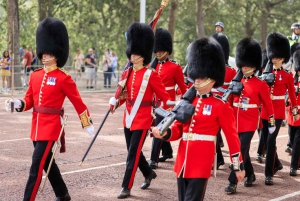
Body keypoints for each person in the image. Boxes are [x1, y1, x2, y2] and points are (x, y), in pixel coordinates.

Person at [4, 17, 94, 201]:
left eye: (48, 51)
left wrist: (86, 122)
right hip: (36, 127)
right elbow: (29, 101)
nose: (44, 54)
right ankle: (63, 194)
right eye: (42, 51)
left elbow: (78, 102)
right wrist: (17, 105)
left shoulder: (63, 78)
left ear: (56, 52)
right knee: (46, 163)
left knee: (36, 165)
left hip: (51, 128)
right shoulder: (35, 76)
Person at [151, 37, 245, 201]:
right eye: (196, 77)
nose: (197, 80)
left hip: (201, 163)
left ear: (212, 79)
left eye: (201, 78)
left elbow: (232, 138)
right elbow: (178, 130)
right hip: (182, 161)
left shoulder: (220, 106)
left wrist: (238, 167)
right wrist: (164, 134)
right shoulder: (188, 101)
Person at [109, 22, 170, 199]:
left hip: (143, 118)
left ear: (143, 55)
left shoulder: (151, 74)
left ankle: (126, 187)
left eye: (136, 53)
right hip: (128, 117)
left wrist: (168, 113)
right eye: (132, 52)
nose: (133, 55)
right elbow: (123, 95)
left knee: (132, 154)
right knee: (133, 152)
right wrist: (114, 104)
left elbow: (165, 97)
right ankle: (148, 172)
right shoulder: (127, 73)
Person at [226, 37, 275, 190]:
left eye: (248, 65)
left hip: (250, 122)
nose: (245, 68)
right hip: (235, 120)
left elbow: (268, 105)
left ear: (254, 67)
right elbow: (229, 103)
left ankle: (232, 182)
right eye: (243, 65)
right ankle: (251, 173)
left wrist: (272, 123)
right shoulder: (236, 81)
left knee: (240, 150)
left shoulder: (260, 84)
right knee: (243, 152)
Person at [261, 32, 300, 185]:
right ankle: (276, 164)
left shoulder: (288, 76)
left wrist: (295, 111)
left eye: (277, 56)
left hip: (276, 113)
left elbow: (292, 95)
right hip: (265, 110)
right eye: (273, 56)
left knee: (270, 141)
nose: (274, 58)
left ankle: (268, 174)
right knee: (266, 141)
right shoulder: (266, 73)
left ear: (283, 58)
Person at [149, 28, 187, 169]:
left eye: (160, 50)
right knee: (156, 127)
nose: (158, 53)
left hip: (167, 103)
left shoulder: (175, 67)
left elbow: (183, 87)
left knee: (158, 128)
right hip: (154, 101)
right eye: (156, 50)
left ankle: (153, 159)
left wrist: (187, 101)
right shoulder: (153, 66)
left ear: (167, 50)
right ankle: (168, 151)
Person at [211, 32, 236, 170]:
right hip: (213, 106)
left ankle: (235, 162)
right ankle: (219, 159)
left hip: (227, 108)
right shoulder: (210, 70)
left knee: (231, 137)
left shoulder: (231, 71)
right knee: (212, 134)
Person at [287, 49, 300, 176]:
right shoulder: (292, 78)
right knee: (291, 140)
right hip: (292, 115)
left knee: (297, 142)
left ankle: (293, 166)